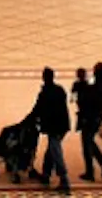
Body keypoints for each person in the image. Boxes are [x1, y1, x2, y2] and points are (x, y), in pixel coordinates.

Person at [26, 67, 71, 195]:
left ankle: (64, 180)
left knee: (56, 152)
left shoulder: (45, 93)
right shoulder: (59, 90)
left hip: (54, 128)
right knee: (51, 150)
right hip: (62, 125)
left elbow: (37, 109)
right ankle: (46, 174)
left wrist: (27, 120)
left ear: (44, 78)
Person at [76, 62, 102, 181]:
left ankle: (90, 172)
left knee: (87, 145)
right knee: (90, 142)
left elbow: (85, 99)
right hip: (96, 119)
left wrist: (81, 82)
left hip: (90, 119)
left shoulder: (96, 88)